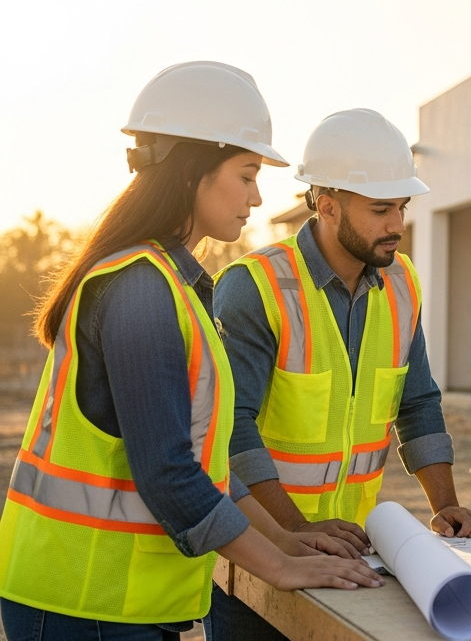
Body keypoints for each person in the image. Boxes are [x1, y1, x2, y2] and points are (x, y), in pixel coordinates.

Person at [0, 62, 381, 641]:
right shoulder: (139, 290)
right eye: (247, 173)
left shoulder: (174, 286)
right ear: (190, 172)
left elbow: (205, 468)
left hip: (121, 606)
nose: (257, 196)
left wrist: (286, 538)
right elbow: (168, 474)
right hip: (83, 606)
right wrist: (278, 567)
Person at [211, 108, 471, 640]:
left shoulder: (402, 281)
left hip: (349, 558)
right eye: (381, 209)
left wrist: (447, 507)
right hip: (257, 554)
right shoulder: (255, 288)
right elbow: (231, 427)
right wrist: (293, 530)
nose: (397, 226)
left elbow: (417, 403)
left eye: (403, 208)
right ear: (327, 205)